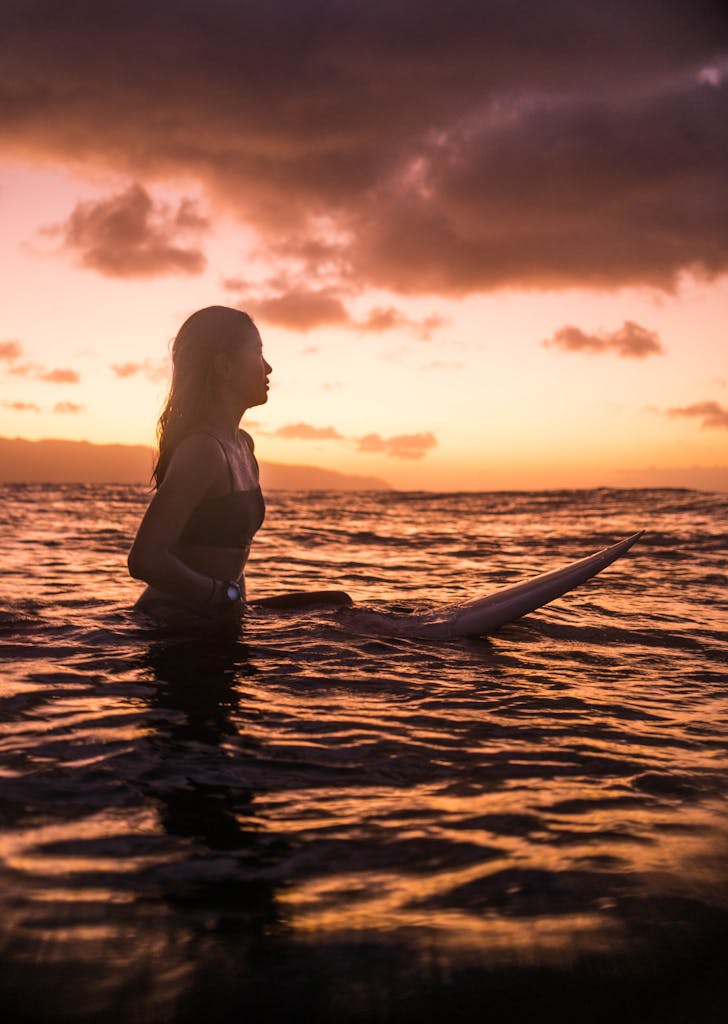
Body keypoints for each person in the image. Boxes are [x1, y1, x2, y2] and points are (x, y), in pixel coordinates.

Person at [128, 305, 351, 636]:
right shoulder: (203, 451)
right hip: (172, 619)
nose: (269, 367)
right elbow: (145, 558)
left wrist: (236, 603)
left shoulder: (242, 446)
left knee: (338, 605)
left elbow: (227, 556)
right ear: (224, 367)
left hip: (218, 611)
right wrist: (221, 595)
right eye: (258, 353)